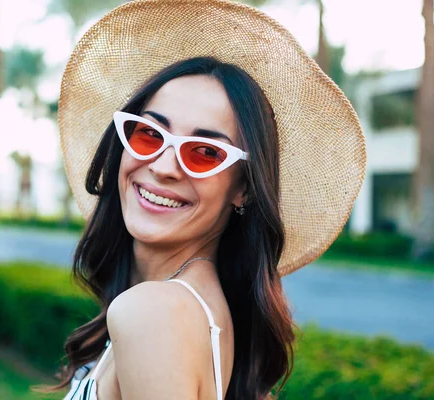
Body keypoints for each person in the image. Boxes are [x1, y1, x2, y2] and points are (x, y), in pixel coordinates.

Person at [52, 1, 366, 399]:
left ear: (244, 188)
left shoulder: (153, 313)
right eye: (149, 134)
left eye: (203, 152)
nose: (164, 166)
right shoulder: (209, 311)